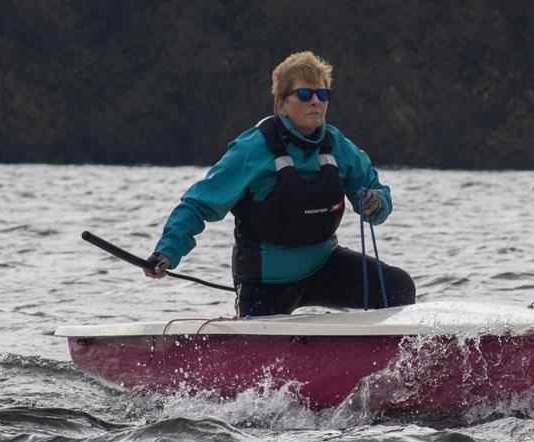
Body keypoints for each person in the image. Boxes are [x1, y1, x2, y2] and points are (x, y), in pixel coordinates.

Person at [145, 51, 415, 317]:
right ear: (281, 104)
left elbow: (377, 192)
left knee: (399, 287)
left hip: (325, 265)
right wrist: (167, 252)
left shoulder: (338, 147)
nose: (315, 103)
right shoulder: (251, 150)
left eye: (322, 95)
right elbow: (198, 205)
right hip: (266, 282)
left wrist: (376, 203)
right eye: (305, 95)